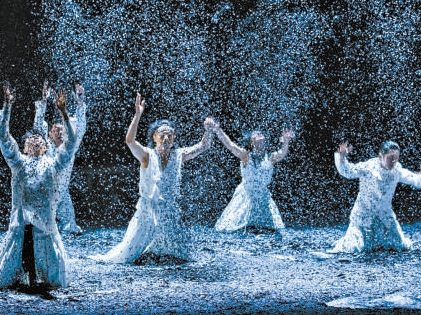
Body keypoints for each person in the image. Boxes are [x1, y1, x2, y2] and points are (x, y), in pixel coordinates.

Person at [89, 93, 213, 264]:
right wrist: (137, 115)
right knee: (126, 254)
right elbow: (130, 141)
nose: (166, 138)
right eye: (161, 134)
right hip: (148, 211)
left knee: (177, 254)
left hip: (168, 210)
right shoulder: (147, 155)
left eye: (170, 135)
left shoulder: (178, 155)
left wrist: (208, 130)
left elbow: (203, 146)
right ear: (154, 138)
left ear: (174, 139)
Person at [0, 82, 79, 291]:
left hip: (45, 226)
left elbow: (70, 145)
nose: (36, 141)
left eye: (39, 139)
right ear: (24, 147)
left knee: (54, 283)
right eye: (31, 140)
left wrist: (64, 114)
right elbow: (4, 138)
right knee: (6, 283)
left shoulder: (53, 164)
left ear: (46, 146)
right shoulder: (18, 162)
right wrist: (7, 107)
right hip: (21, 225)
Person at [329, 140, 421, 253]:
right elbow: (348, 171)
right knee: (354, 248)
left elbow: (413, 179)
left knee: (400, 245)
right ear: (380, 156)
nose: (393, 161)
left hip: (384, 215)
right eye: (390, 158)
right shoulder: (369, 167)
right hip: (364, 214)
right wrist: (341, 157)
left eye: (396, 158)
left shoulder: (397, 170)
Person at [209, 119, 293, 233]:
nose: (259, 134)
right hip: (246, 197)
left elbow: (282, 153)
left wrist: (286, 141)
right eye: (255, 134)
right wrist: (218, 130)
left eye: (261, 133)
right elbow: (230, 145)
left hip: (263, 197)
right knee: (235, 229)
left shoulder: (271, 157)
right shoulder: (246, 156)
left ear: (265, 140)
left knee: (268, 230)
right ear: (251, 142)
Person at [33, 80, 86, 234]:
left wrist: (80, 104)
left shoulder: (70, 148)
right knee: (41, 228)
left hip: (63, 193)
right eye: (56, 130)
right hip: (46, 193)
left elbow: (80, 128)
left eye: (62, 130)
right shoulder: (46, 147)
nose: (59, 132)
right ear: (50, 134)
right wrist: (44, 101)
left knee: (72, 229)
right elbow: (38, 126)